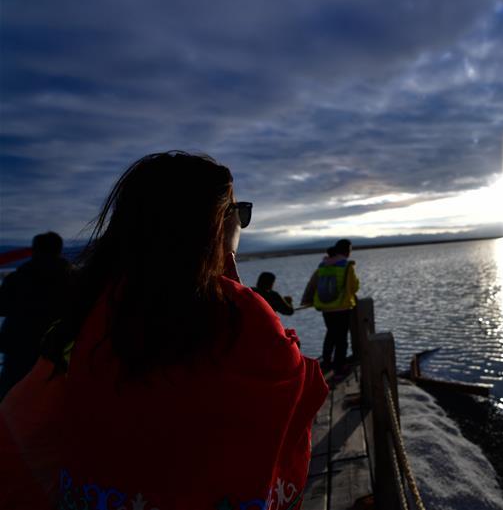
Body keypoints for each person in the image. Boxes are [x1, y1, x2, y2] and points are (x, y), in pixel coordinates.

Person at [0, 151, 328, 509]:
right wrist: (235, 289)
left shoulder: (94, 311)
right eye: (238, 212)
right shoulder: (237, 314)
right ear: (215, 222)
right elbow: (292, 384)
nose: (240, 223)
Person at [0, 232, 72, 400]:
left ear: (35, 250)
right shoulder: (73, 279)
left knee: (11, 398)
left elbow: (2, 306)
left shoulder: (17, 279)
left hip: (18, 348)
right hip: (58, 351)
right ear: (59, 250)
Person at [301, 239, 359, 373]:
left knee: (331, 335)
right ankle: (340, 366)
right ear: (346, 251)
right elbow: (354, 286)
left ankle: (326, 363)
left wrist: (307, 300)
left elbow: (312, 283)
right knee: (342, 339)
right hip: (342, 308)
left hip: (326, 308)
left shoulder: (323, 265)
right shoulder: (347, 266)